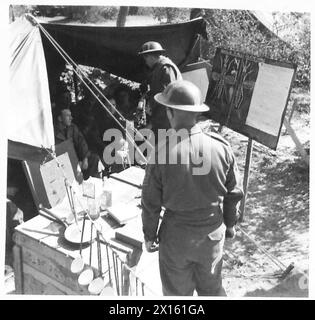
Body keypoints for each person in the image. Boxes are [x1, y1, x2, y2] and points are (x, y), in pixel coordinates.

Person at [141, 80, 244, 296]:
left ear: (170, 113)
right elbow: (233, 194)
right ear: (196, 113)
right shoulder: (221, 147)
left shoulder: (160, 153)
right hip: (212, 238)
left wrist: (149, 235)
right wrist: (230, 224)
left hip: (176, 241)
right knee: (213, 291)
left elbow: (150, 204)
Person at [138, 41, 182, 137]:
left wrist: (152, 124)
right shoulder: (157, 68)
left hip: (168, 119)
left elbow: (168, 100)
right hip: (162, 117)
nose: (145, 61)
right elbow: (158, 90)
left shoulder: (165, 68)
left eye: (145, 58)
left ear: (151, 56)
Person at [54, 107, 101, 180]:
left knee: (94, 158)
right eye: (67, 116)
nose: (71, 118)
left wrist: (84, 158)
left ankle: (89, 183)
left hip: (77, 160)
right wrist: (74, 163)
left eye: (71, 115)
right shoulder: (53, 132)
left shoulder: (72, 128)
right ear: (60, 118)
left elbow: (81, 142)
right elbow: (59, 153)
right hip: (64, 163)